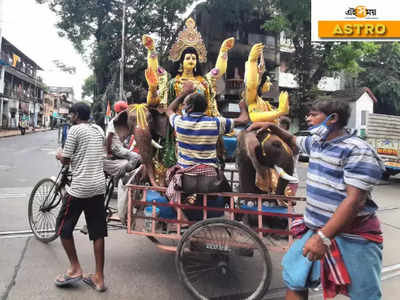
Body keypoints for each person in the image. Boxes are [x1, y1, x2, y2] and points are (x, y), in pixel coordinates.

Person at [247, 99, 385, 300]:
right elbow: (294, 141)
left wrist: (323, 238)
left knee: (364, 295)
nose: (308, 118)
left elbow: (355, 201)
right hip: (316, 230)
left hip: (353, 237)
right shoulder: (317, 143)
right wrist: (272, 128)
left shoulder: (357, 150)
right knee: (294, 279)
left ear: (333, 119)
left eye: (313, 115)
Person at [142, 17, 235, 172]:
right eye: (188, 58)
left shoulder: (204, 81)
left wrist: (223, 51)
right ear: (182, 61)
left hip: (202, 127)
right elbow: (156, 70)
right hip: (178, 127)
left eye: (194, 58)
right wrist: (151, 49)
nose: (191, 60)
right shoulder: (172, 82)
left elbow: (219, 70)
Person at [165, 81, 249, 205]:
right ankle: (234, 208)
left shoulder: (179, 122)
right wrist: (242, 106)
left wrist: (184, 93)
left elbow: (169, 110)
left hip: (186, 182)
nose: (183, 107)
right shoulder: (215, 123)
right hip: (211, 182)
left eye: (184, 105)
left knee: (168, 176)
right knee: (224, 181)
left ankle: (180, 212)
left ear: (189, 108)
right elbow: (244, 120)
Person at [55, 102, 107, 292]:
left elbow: (67, 159)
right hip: (98, 186)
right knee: (98, 232)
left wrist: (59, 155)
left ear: (76, 115)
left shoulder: (75, 130)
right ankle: (99, 279)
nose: (70, 118)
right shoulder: (98, 129)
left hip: (80, 188)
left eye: (71, 115)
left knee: (63, 227)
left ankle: (75, 268)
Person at [104, 100, 141, 179]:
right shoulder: (114, 122)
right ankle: (124, 173)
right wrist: (108, 152)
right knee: (136, 157)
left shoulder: (121, 122)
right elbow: (109, 137)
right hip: (115, 148)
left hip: (118, 147)